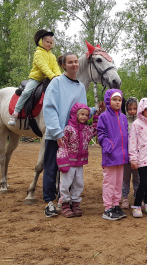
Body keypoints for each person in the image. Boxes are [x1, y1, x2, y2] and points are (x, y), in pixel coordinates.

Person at [42, 52, 96, 218]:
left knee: (70, 172)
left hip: (73, 138)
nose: (74, 65)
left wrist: (95, 110)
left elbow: (83, 111)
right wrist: (57, 132)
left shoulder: (80, 86)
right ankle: (49, 202)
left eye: (75, 62)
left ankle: (67, 201)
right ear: (63, 65)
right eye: (70, 62)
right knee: (51, 168)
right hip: (57, 135)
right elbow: (49, 108)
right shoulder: (56, 83)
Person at [9, 29, 61, 126]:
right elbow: (43, 66)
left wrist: (59, 76)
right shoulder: (38, 53)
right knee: (26, 92)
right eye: (47, 42)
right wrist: (52, 76)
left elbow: (56, 67)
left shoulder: (52, 56)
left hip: (49, 79)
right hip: (36, 79)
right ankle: (15, 113)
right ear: (41, 41)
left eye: (51, 42)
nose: (49, 44)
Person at [56, 103, 98, 218]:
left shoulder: (86, 130)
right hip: (69, 162)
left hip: (80, 163)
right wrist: (62, 159)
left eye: (86, 115)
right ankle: (64, 204)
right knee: (65, 183)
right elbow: (62, 144)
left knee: (79, 183)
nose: (84, 117)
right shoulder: (69, 129)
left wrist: (96, 117)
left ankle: (75, 203)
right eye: (82, 114)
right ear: (75, 115)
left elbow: (95, 130)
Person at [97, 89, 129, 221]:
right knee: (109, 182)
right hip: (110, 156)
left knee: (118, 182)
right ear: (108, 101)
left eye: (119, 100)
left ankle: (116, 204)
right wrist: (109, 146)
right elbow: (101, 134)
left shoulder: (123, 117)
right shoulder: (103, 117)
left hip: (121, 156)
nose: (117, 102)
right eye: (114, 99)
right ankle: (108, 207)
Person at [121, 97, 140, 209]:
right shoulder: (124, 121)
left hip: (138, 156)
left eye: (135, 108)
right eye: (130, 108)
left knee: (138, 179)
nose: (132, 111)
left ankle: (138, 197)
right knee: (125, 178)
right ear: (126, 109)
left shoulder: (141, 122)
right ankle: (125, 198)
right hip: (126, 156)